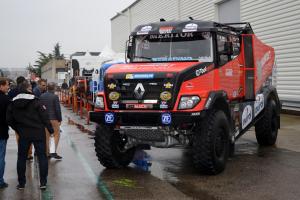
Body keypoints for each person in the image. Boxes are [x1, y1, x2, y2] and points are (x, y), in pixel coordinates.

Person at [6, 80, 54, 190]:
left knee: (21, 158)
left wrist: (17, 128)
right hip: (38, 133)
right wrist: (51, 130)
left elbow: (9, 119)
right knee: (42, 157)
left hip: (23, 133)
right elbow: (44, 116)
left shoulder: (13, 102)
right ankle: (43, 182)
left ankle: (21, 184)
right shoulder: (36, 101)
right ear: (29, 89)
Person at [7, 76, 33, 160]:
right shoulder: (27, 91)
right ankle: (29, 153)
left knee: (18, 136)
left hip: (16, 117)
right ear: (23, 82)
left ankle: (21, 152)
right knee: (29, 136)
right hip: (28, 117)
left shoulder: (12, 91)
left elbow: (9, 103)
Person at [40, 82, 63, 160]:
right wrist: (59, 119)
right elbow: (57, 109)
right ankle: (53, 152)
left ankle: (47, 153)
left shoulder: (41, 96)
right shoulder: (55, 97)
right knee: (56, 135)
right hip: (53, 119)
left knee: (46, 136)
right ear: (54, 88)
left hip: (45, 119)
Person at [0, 78, 10, 189]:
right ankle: (0, 181)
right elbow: (9, 117)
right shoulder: (5, 99)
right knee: (1, 157)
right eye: (7, 85)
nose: (8, 87)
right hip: (1, 132)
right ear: (1, 86)